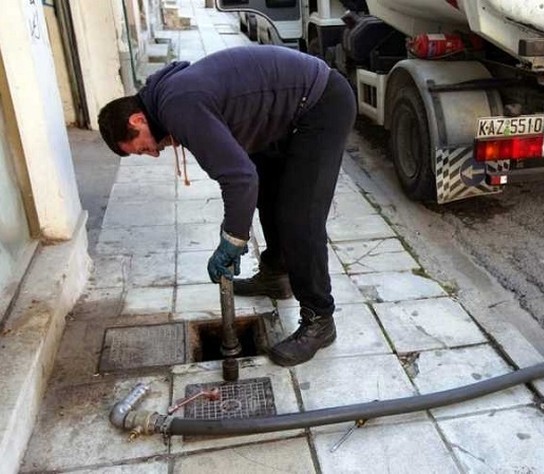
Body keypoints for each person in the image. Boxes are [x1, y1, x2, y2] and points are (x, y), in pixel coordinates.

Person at [98, 45, 356, 366]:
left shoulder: (177, 105)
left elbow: (239, 178)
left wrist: (232, 240)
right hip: (287, 113)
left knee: (300, 218)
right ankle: (277, 275)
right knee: (269, 194)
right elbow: (245, 175)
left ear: (138, 119)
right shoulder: (168, 99)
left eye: (142, 148)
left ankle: (320, 318)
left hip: (321, 104)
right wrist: (234, 226)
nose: (152, 153)